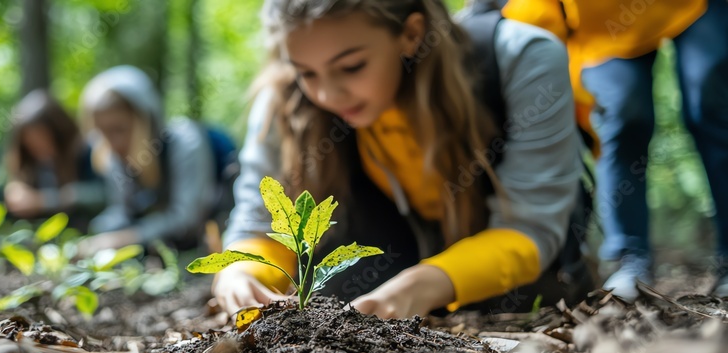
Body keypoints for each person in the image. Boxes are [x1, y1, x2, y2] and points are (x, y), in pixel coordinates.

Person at [213, 0, 592, 318]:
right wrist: (240, 273)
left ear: (411, 34)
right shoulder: (286, 99)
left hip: (510, 285)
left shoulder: (521, 57)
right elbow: (257, 225)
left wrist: (423, 285)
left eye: (351, 67)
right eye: (306, 72)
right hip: (381, 266)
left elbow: (531, 229)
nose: (327, 94)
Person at [503, 0, 728, 299]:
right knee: (624, 116)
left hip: (693, 6)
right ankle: (630, 258)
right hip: (600, 27)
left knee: (711, 99)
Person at [78, 65, 217, 252]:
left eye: (119, 129)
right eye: (102, 132)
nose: (111, 143)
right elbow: (123, 211)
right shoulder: (115, 156)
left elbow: (187, 219)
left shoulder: (185, 142)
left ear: (145, 121)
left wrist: (125, 238)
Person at [3, 89, 106, 226]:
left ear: (59, 133)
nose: (38, 148)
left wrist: (43, 201)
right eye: (30, 144)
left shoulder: (87, 151)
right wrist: (14, 191)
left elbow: (103, 195)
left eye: (42, 140)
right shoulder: (30, 163)